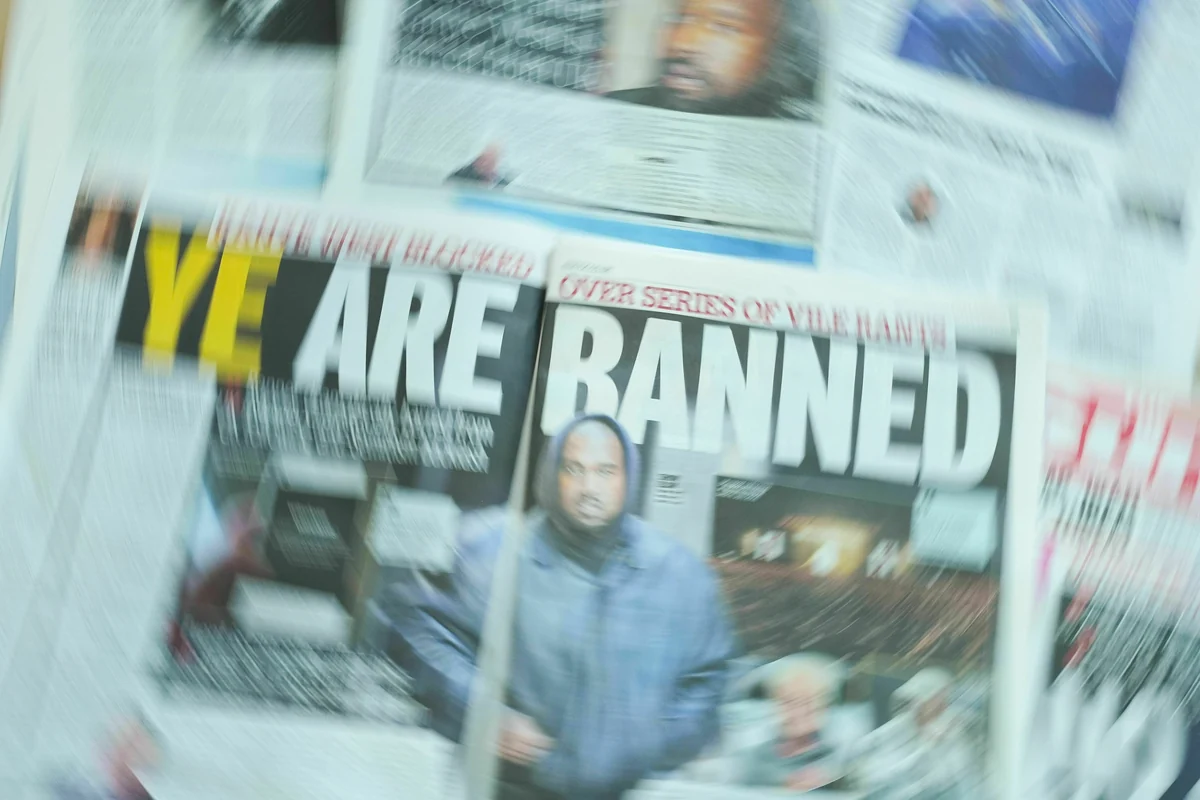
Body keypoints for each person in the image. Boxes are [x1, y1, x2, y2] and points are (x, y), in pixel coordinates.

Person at [373, 413, 735, 799]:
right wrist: (480, 711)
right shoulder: (492, 550)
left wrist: (649, 744)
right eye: (574, 469)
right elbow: (416, 629)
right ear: (551, 474)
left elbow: (710, 678)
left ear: (629, 477)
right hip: (506, 789)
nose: (589, 488)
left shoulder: (677, 573)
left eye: (605, 471)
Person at [606, 0, 821, 117]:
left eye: (725, 26)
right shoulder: (613, 109)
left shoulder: (797, 132)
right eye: (679, 19)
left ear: (777, 51)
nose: (682, 43)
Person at [734, 654, 855, 791]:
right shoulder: (754, 761)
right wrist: (784, 785)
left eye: (808, 702)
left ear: (824, 707)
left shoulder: (840, 759)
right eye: (789, 702)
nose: (799, 712)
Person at [447, 145, 512, 189]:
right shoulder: (462, 176)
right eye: (484, 159)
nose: (486, 164)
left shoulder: (502, 182)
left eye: (492, 161)